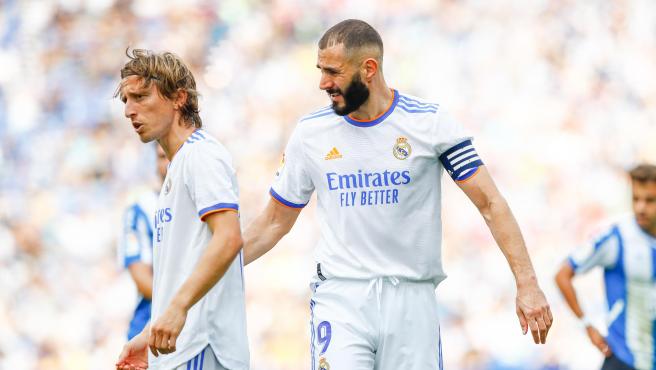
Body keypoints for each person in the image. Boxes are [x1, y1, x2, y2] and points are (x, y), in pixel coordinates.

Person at [243, 19, 552, 370]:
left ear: (369, 69)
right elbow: (272, 222)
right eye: (320, 70)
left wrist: (527, 284)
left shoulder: (429, 123)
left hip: (412, 298)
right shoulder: (310, 133)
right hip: (342, 298)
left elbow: (491, 203)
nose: (323, 83)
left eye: (333, 72)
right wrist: (211, 271)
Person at [114, 49, 248, 370]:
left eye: (140, 97)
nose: (129, 111)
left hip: (201, 346)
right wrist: (149, 332)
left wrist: (177, 309)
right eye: (125, 101)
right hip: (182, 350)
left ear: (178, 98)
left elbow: (229, 238)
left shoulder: (200, 155)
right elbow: (181, 269)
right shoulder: (176, 169)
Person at [555, 164, 656, 370]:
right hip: (623, 359)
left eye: (650, 200)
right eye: (636, 199)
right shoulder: (617, 237)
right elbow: (563, 274)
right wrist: (587, 326)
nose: (640, 207)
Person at [117, 144, 168, 340]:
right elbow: (142, 279)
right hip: (152, 322)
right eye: (163, 156)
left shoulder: (204, 204)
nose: (169, 163)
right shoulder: (142, 209)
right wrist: (185, 303)